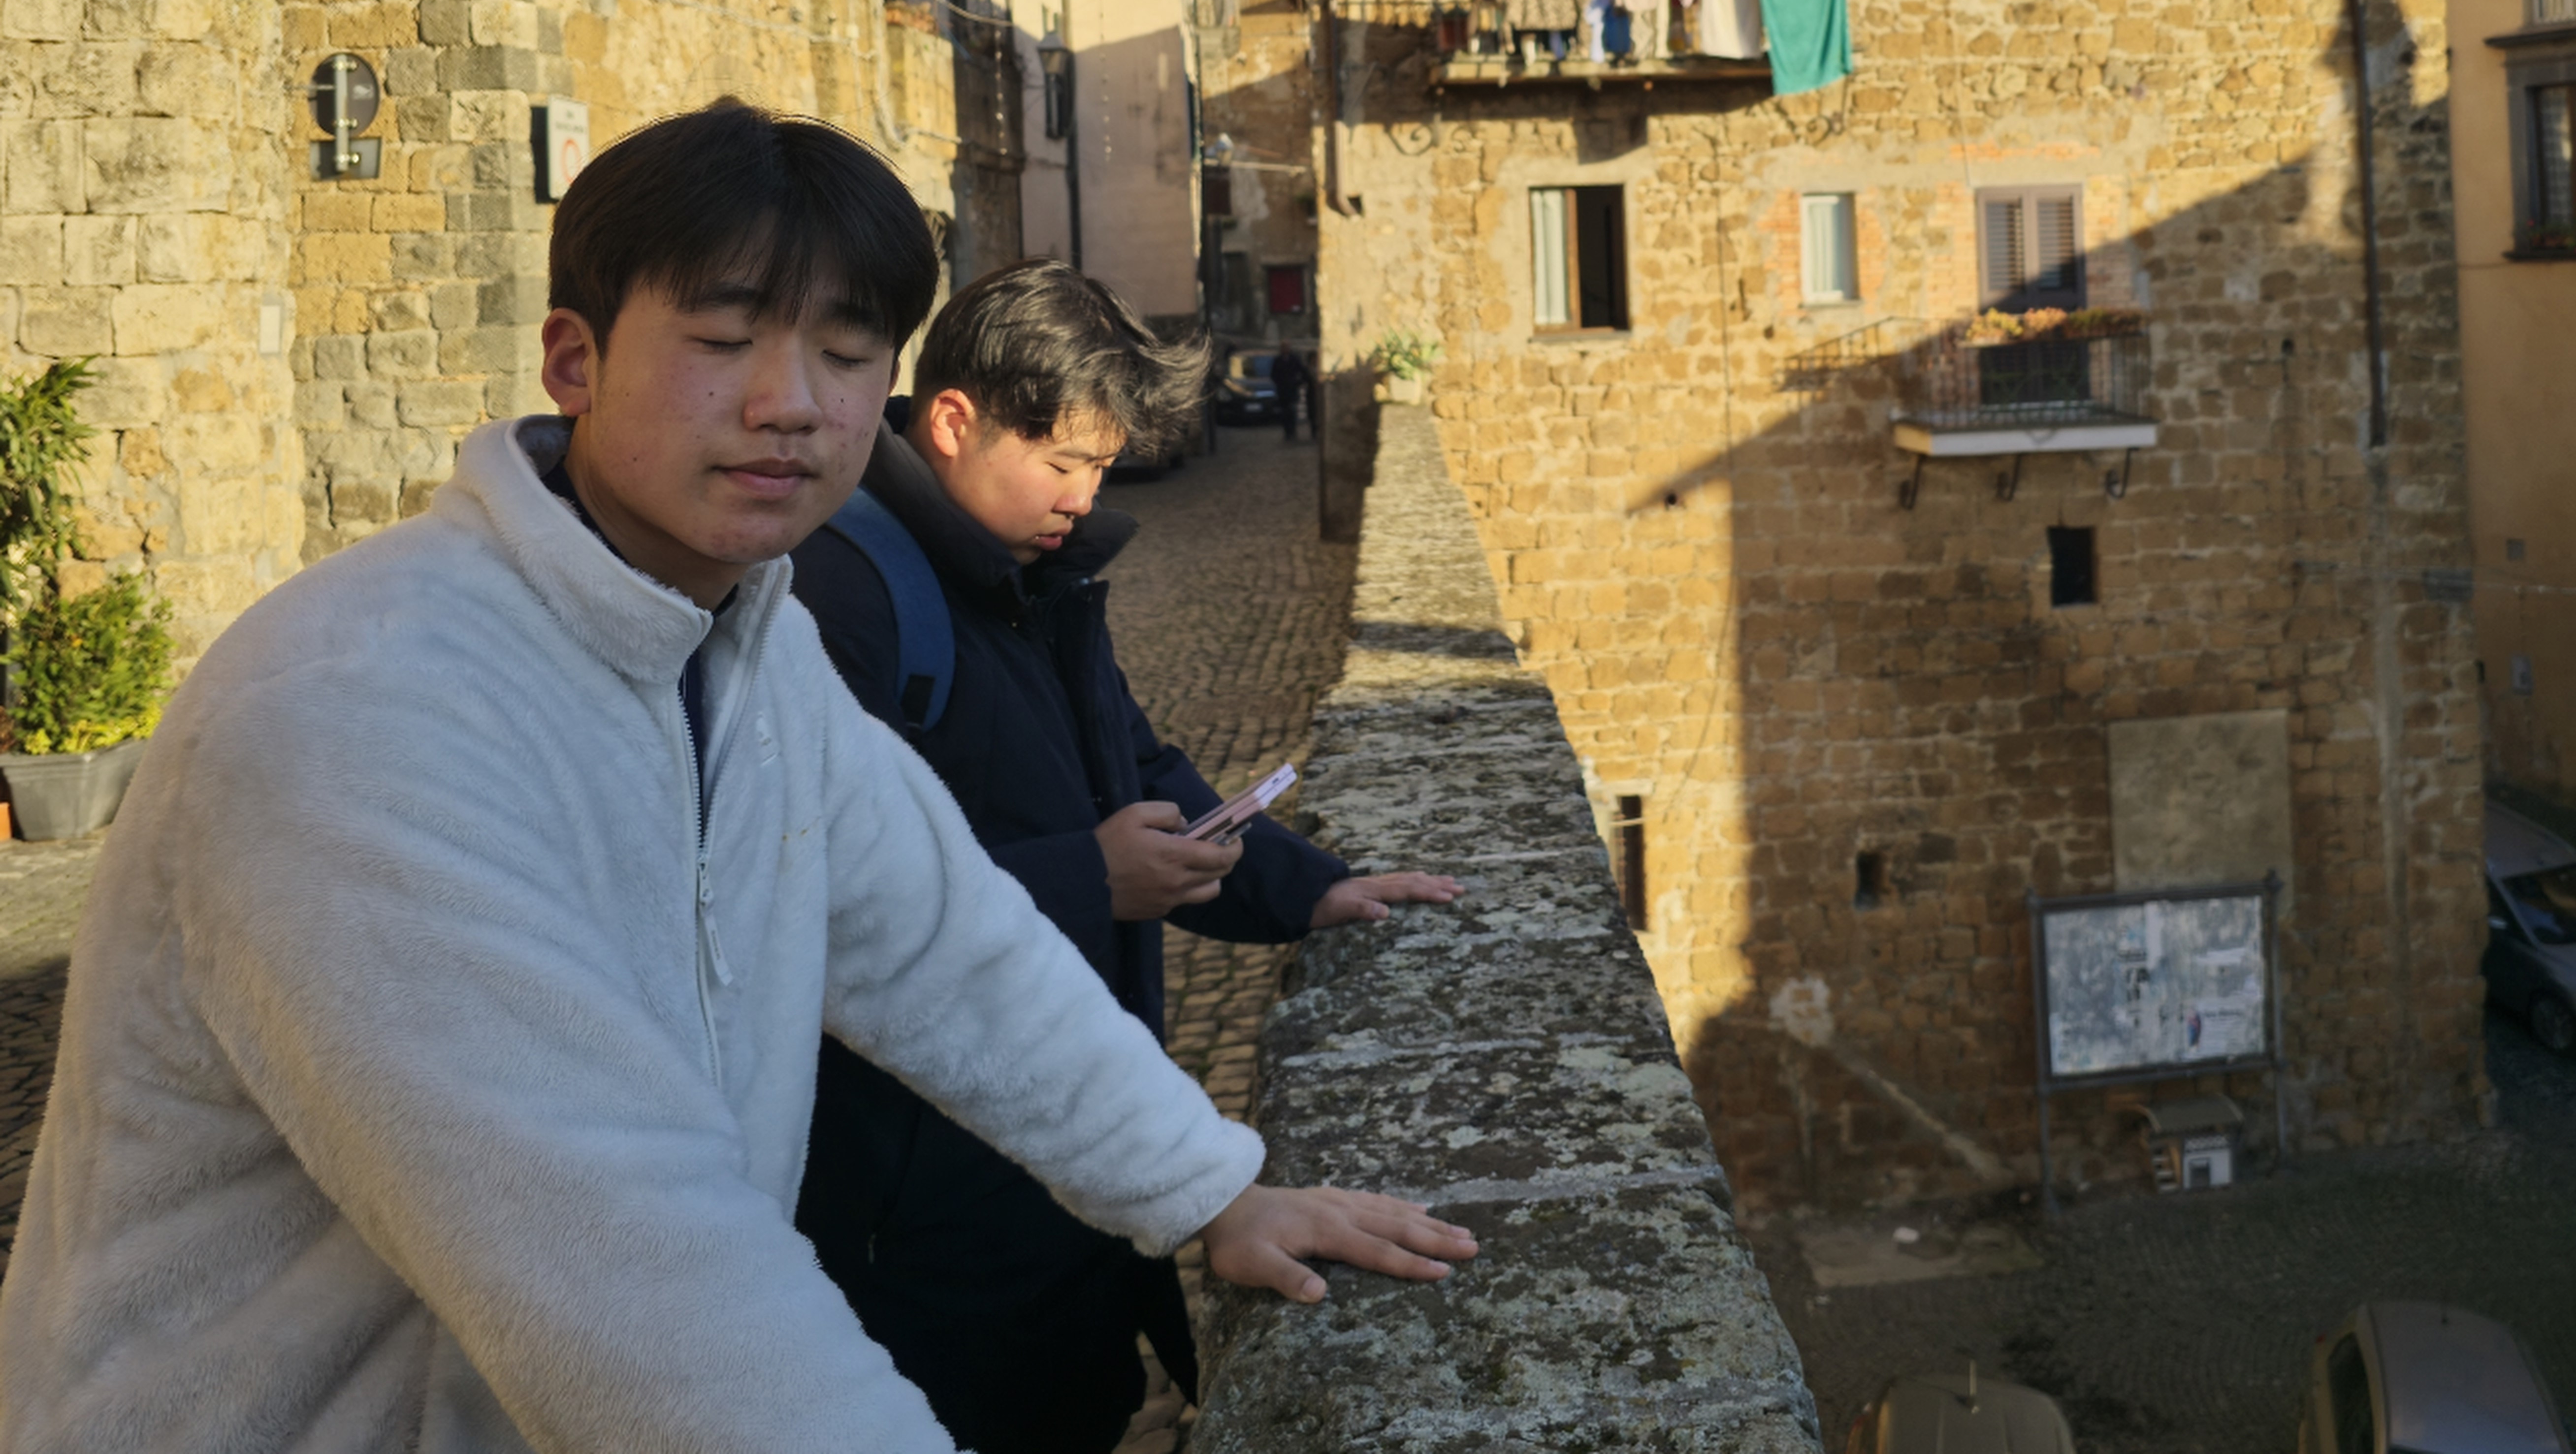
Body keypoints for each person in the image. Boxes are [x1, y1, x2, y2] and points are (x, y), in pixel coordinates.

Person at [0, 104, 1473, 1454]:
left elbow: (947, 944)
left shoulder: (743, 645)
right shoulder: (360, 712)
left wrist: (1208, 1186)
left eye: (847, 353)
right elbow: (624, 1257)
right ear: (573, 359)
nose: (792, 402)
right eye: (722, 338)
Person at [793, 261, 1457, 1454]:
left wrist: (1309, 888)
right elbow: (819, 902)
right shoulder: (840, 596)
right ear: (954, 421)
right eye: (1065, 462)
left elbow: (1134, 762)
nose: (1085, 495)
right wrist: (1088, 878)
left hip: (1055, 1175)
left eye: (1101, 465)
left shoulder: (1029, 569)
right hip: (926, 1212)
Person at [1268, 341, 1308, 443]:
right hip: (1283, 391)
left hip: (1292, 390)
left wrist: (1298, 383)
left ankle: (1293, 432)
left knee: (1292, 412)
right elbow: (1273, 374)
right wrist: (1280, 383)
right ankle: (1287, 432)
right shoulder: (1278, 360)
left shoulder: (1294, 359)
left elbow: (1302, 371)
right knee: (1285, 413)